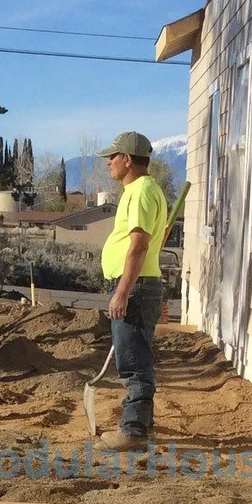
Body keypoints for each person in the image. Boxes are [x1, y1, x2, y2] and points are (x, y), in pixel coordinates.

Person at [96, 131, 168, 448]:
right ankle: (141, 423)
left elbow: (138, 247)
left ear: (127, 159)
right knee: (137, 356)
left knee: (134, 362)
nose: (108, 162)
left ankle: (134, 431)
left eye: (113, 157)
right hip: (141, 284)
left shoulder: (140, 191)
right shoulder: (142, 189)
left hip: (136, 286)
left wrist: (123, 292)